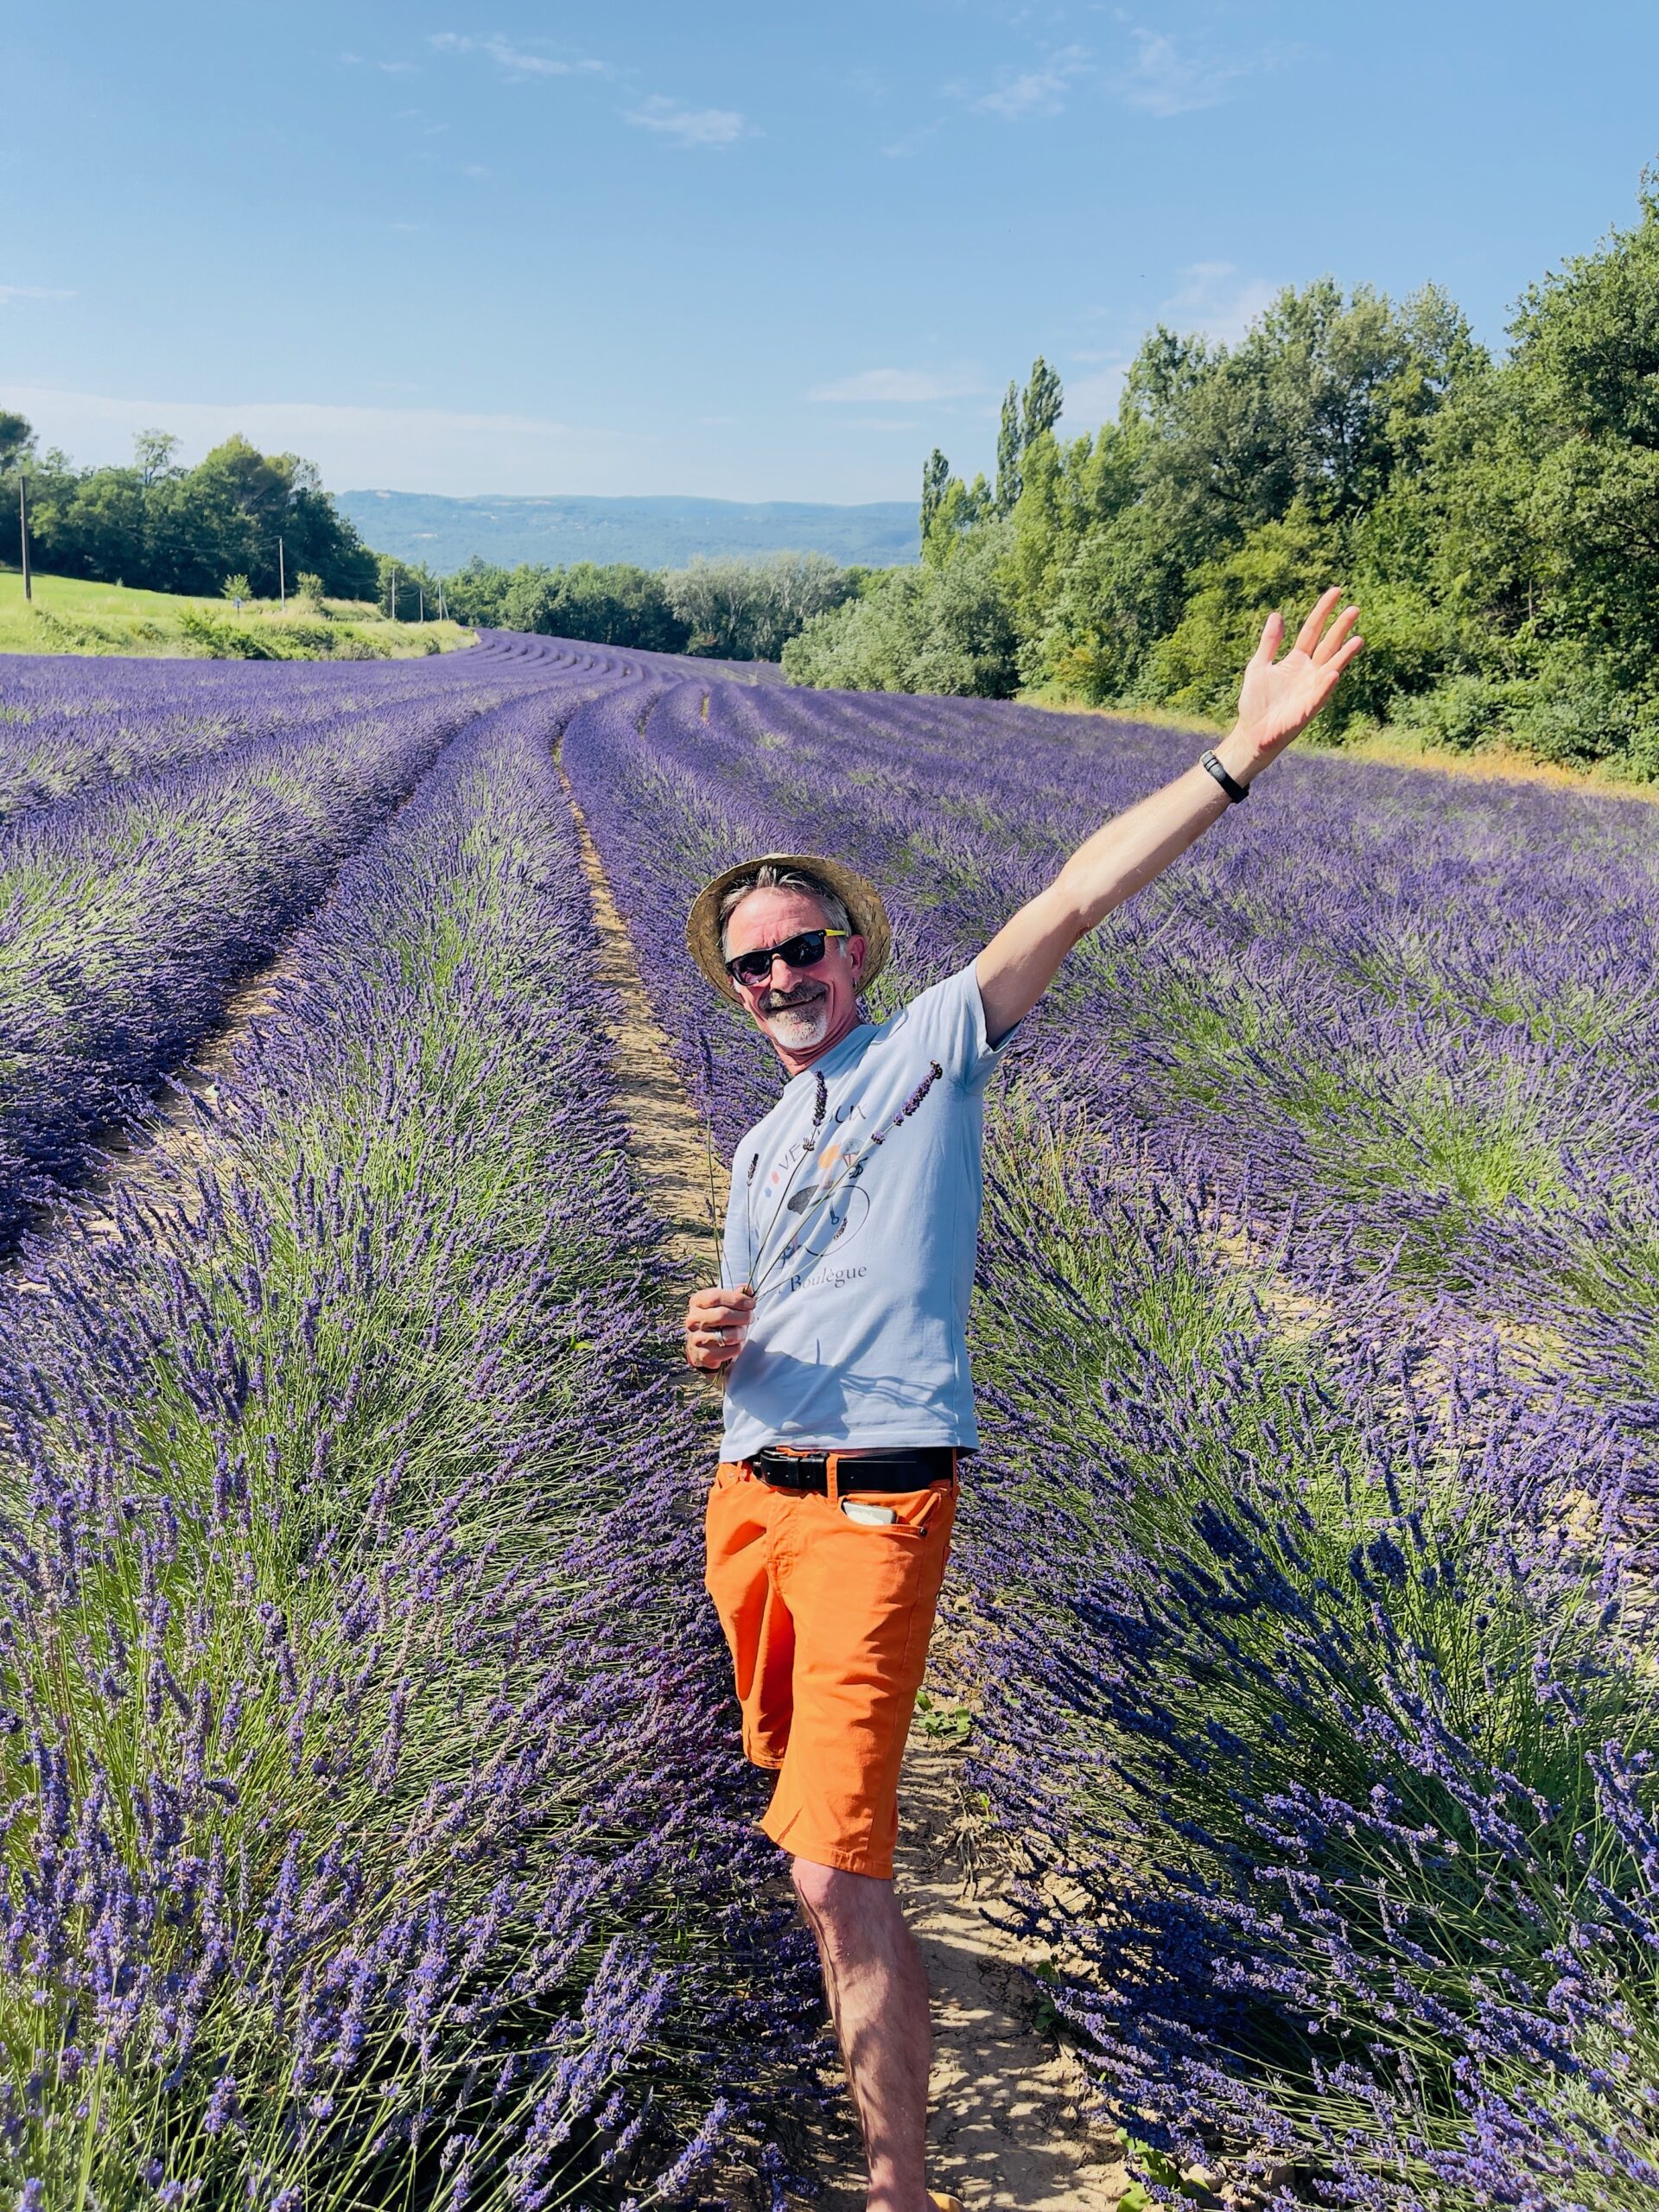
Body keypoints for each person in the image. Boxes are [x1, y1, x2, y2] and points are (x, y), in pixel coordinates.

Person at [683, 591, 1363, 2212]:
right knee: (810, 1846)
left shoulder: (930, 1049)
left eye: (802, 947)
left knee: (833, 1871)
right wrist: (714, 1339)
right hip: (749, 1500)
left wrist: (1238, 756)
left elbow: (1074, 892)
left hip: (871, 1503)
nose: (781, 975)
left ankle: (900, 2192)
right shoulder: (760, 1146)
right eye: (753, 965)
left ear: (853, 952)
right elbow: (750, 1325)